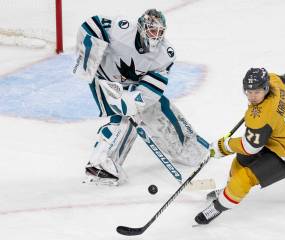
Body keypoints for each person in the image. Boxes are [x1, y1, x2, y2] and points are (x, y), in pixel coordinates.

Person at [73, 9, 208, 186]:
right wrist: (87, 58)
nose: (156, 36)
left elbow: (153, 89)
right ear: (142, 28)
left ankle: (188, 149)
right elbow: (91, 26)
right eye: (152, 31)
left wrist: (135, 101)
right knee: (125, 119)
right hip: (104, 81)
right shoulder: (122, 30)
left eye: (160, 32)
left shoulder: (164, 55)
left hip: (133, 86)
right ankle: (102, 164)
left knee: (160, 107)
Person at [194, 68, 285, 224]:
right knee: (241, 160)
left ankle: (217, 207)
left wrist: (223, 146)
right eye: (249, 91)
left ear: (266, 88)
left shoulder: (260, 116)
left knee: (243, 178)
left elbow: (250, 147)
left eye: (257, 92)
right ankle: (229, 190)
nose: (253, 97)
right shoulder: (274, 80)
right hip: (279, 134)